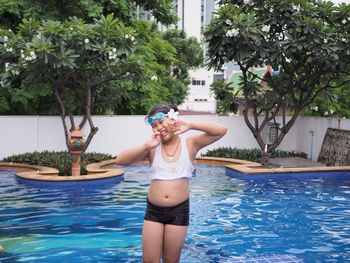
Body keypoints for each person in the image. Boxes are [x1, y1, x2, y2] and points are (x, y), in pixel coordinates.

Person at [115, 104, 227, 263]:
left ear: (173, 120)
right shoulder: (152, 149)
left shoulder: (190, 144)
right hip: (154, 211)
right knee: (149, 260)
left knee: (171, 260)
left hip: (179, 211)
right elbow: (120, 160)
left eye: (161, 122)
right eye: (154, 126)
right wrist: (146, 145)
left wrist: (191, 125)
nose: (158, 128)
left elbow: (221, 130)